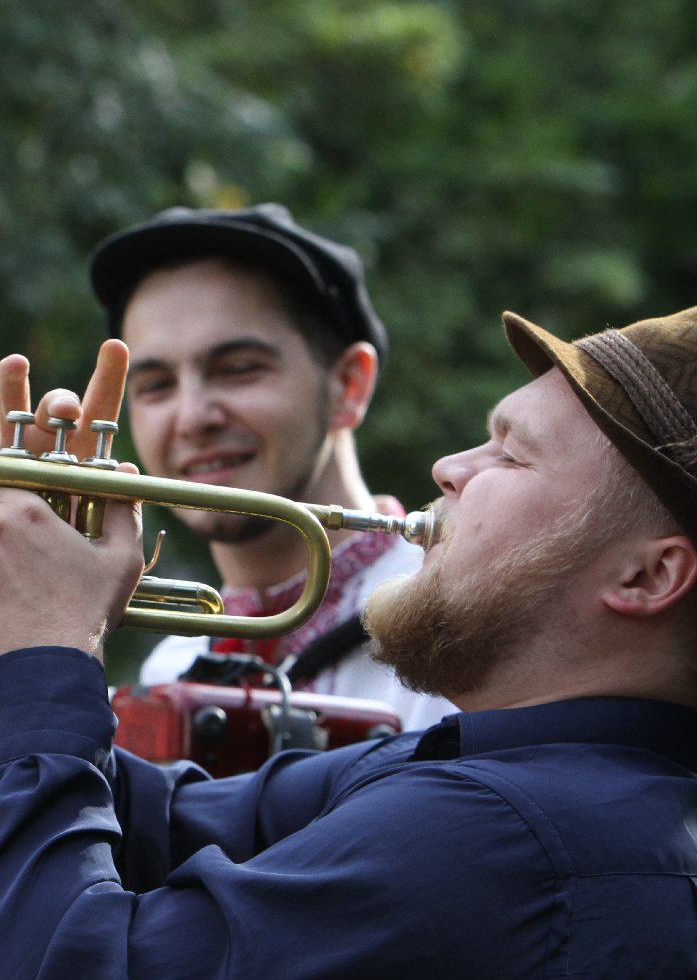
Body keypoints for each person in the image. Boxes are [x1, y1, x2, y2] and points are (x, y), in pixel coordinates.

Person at [0, 306, 697, 980]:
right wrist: (7, 626)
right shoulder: (526, 770)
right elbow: (159, 826)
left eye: (512, 458)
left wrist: (34, 645)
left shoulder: (499, 834)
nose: (450, 467)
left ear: (646, 576)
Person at [89, 204, 451, 727]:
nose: (192, 418)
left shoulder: (457, 626)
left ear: (348, 385)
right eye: (155, 386)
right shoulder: (169, 671)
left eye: (238, 369)